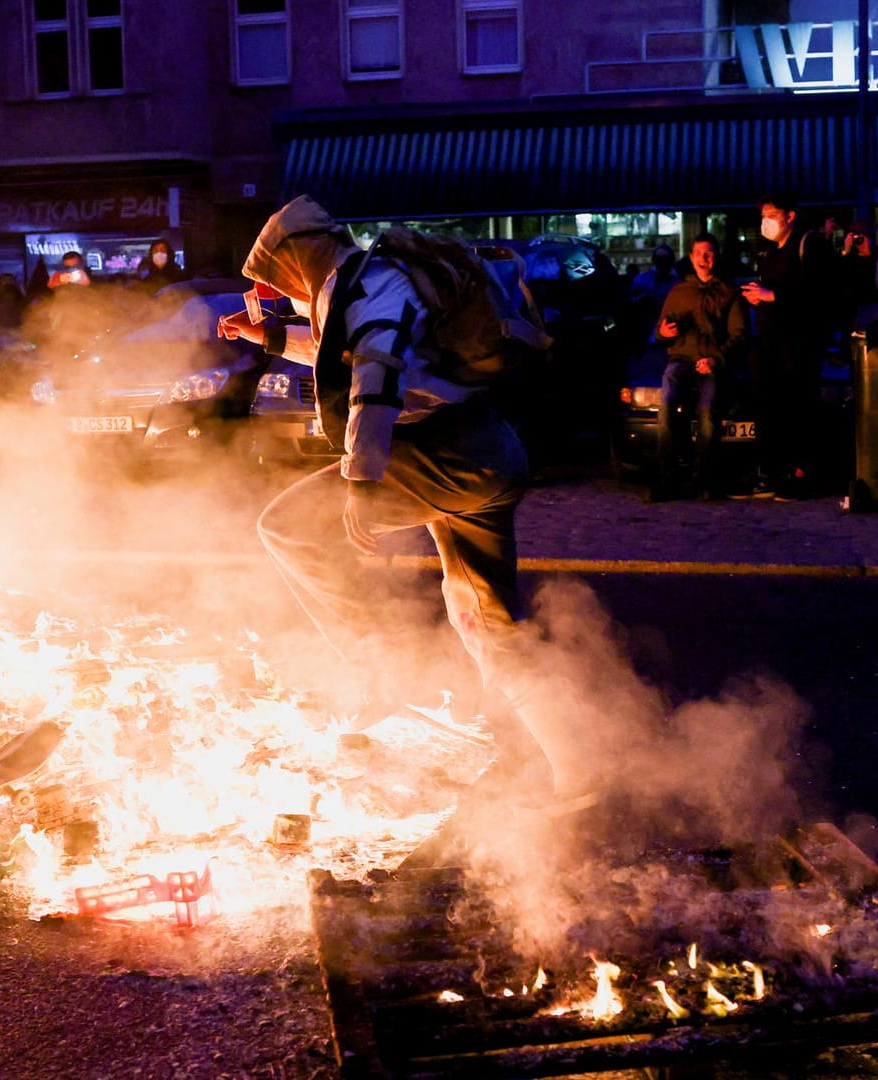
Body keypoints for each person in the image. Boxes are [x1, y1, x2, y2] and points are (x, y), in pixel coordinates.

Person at [216, 196, 596, 805]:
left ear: (298, 258)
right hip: (485, 456)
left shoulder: (373, 286)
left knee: (287, 527)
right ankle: (581, 771)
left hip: (446, 454)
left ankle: (377, 665)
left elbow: (376, 376)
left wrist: (362, 481)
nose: (278, 288)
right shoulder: (370, 285)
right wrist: (268, 336)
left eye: (277, 277)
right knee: (487, 624)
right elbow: (346, 350)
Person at [739, 192, 836, 500]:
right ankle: (770, 473)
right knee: (772, 411)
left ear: (790, 215)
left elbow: (819, 294)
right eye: (763, 216)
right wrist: (758, 296)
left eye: (772, 215)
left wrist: (773, 296)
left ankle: (800, 474)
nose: (766, 221)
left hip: (798, 349)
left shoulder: (810, 244)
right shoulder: (773, 252)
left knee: (798, 411)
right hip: (770, 347)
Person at [650, 234, 746, 502]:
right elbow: (659, 332)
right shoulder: (679, 291)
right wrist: (664, 332)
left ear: (717, 256)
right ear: (691, 258)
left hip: (712, 363)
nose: (705, 259)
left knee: (707, 415)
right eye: (699, 254)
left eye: (710, 253)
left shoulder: (729, 293)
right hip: (681, 359)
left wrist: (716, 359)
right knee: (666, 405)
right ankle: (668, 478)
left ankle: (702, 479)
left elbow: (738, 335)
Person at [626, 243, 683, 349]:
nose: (662, 262)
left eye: (665, 258)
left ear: (671, 260)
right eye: (659, 258)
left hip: (672, 340)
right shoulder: (642, 279)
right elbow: (631, 302)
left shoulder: (679, 284)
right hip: (645, 338)